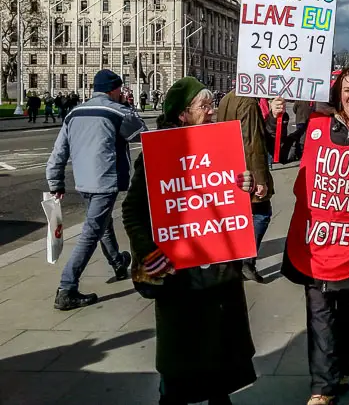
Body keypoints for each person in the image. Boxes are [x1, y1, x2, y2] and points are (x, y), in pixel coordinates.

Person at [257, 66, 349, 405]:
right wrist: (274, 119)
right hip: (314, 240)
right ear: (338, 94)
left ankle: (344, 364)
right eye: (347, 90)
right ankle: (322, 388)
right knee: (320, 313)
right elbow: (282, 153)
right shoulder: (317, 127)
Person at [122, 77, 256, 405]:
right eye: (204, 107)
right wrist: (148, 253)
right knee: (179, 373)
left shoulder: (221, 148)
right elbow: (132, 212)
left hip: (219, 276)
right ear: (183, 114)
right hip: (180, 280)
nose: (212, 113)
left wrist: (244, 185)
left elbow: (228, 199)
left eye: (212, 106)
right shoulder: (158, 154)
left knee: (221, 367)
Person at [46, 69, 145, 310]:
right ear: (114, 90)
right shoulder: (116, 111)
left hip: (83, 181)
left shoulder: (73, 113)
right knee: (91, 232)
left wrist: (56, 182)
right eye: (120, 90)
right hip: (105, 180)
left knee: (102, 223)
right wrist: (129, 109)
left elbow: (58, 153)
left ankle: (117, 262)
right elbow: (141, 134)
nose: (121, 93)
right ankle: (67, 287)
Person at [217, 90, 278, 284]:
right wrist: (260, 179)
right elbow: (253, 142)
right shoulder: (249, 103)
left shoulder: (228, 97)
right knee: (262, 214)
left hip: (231, 165)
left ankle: (237, 259)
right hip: (248, 171)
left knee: (241, 216)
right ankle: (246, 261)